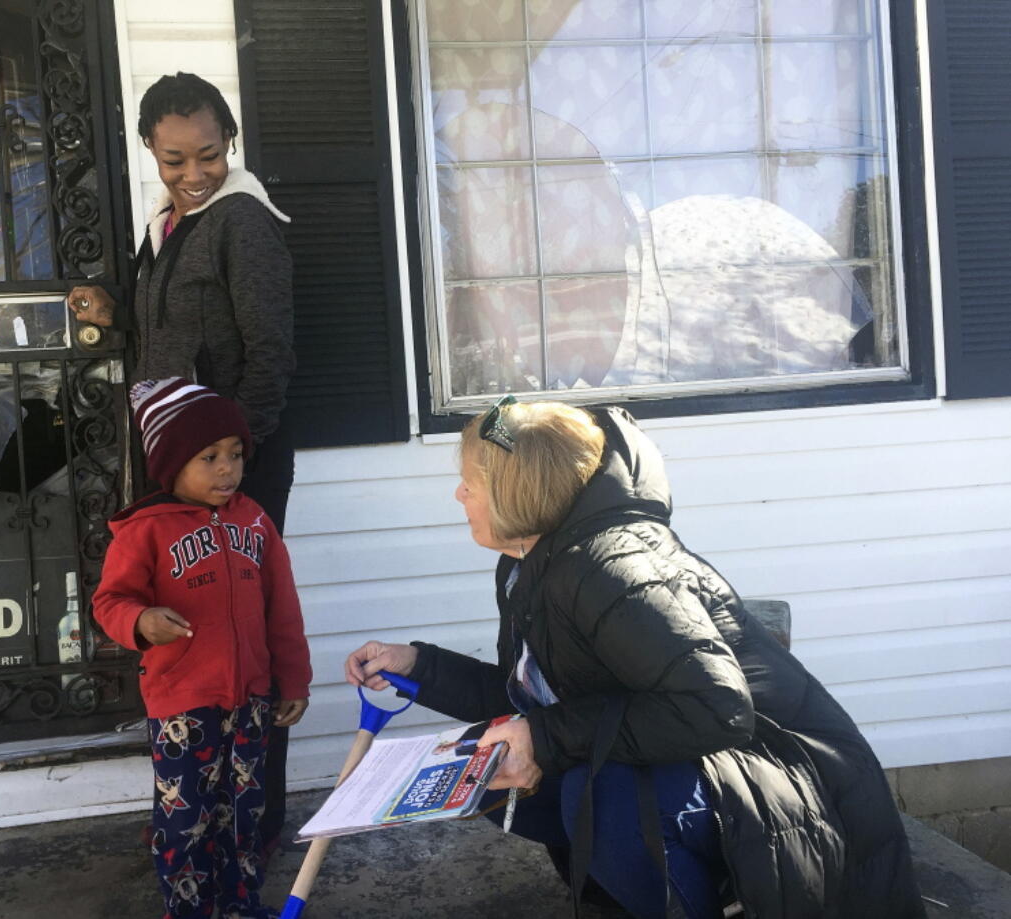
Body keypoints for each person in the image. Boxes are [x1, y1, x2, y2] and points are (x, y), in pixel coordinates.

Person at [345, 398, 925, 919]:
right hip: (704, 758)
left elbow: (718, 707)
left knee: (601, 797)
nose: (458, 495)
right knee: (491, 770)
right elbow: (536, 701)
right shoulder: (530, 563)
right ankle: (636, 893)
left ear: (513, 491)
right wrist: (420, 665)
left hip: (788, 777)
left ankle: (716, 898)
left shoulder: (611, 569)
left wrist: (542, 740)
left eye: (470, 481)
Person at [69, 71, 298, 852]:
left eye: (207, 154)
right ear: (150, 153)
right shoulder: (168, 225)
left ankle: (252, 827)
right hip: (180, 480)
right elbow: (167, 336)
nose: (192, 173)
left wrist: (230, 472)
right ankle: (194, 812)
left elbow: (268, 357)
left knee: (245, 644)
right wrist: (113, 308)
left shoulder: (244, 222)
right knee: (189, 639)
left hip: (233, 478)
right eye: (173, 160)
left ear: (230, 141)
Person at [94, 378, 310, 919]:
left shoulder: (255, 522)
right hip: (181, 705)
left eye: (235, 454)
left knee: (244, 816)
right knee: (184, 820)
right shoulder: (144, 530)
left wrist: (295, 680)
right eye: (209, 456)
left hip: (252, 702)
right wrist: (141, 620)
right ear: (170, 465)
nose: (227, 469)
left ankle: (241, 907)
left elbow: (282, 609)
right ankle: (189, 912)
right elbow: (109, 602)